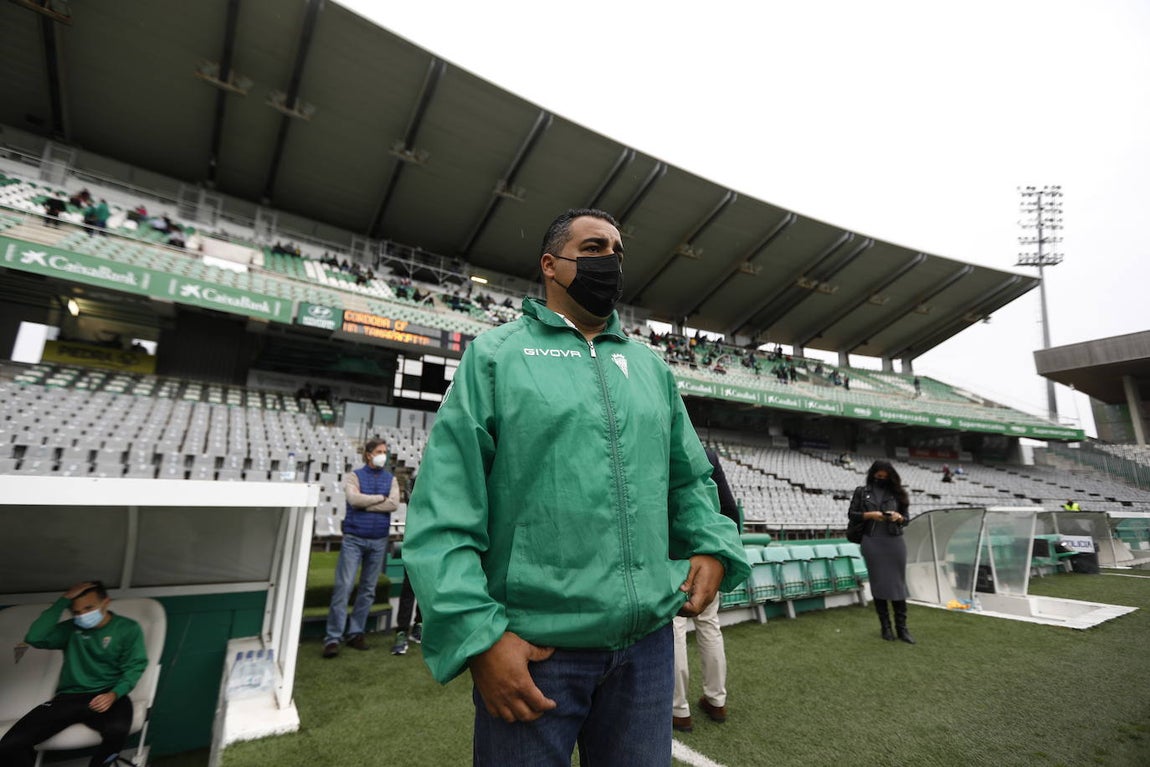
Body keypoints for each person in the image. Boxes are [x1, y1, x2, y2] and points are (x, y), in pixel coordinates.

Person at [403, 208, 750, 766]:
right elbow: (445, 507)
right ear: (550, 264)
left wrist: (711, 544)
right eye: (593, 248)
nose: (610, 260)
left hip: (647, 649)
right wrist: (480, 637)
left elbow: (690, 479)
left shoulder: (651, 368)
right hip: (535, 651)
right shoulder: (494, 357)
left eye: (617, 250)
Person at [0, 581, 148, 767]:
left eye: (89, 608)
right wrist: (63, 601)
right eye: (76, 612)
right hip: (69, 697)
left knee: (117, 730)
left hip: (108, 694)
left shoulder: (127, 628)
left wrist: (114, 694)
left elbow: (135, 666)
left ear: (106, 602)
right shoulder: (71, 629)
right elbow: (34, 638)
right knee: (9, 745)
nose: (83, 615)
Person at [672, 448, 740, 733]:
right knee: (710, 627)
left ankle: (678, 709)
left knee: (675, 630)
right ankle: (716, 700)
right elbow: (730, 510)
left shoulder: (662, 446)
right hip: (709, 555)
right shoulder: (708, 454)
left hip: (674, 557)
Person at [323, 438, 399, 658]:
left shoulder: (391, 479)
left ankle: (356, 632)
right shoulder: (354, 476)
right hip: (354, 539)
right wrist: (380, 498)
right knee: (344, 587)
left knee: (368, 589)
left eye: (385, 451)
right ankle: (333, 637)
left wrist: (368, 504)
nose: (383, 455)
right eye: (379, 451)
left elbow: (393, 504)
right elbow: (354, 500)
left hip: (378, 540)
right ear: (368, 454)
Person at [848, 460, 914, 644]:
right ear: (873, 474)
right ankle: (886, 627)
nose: (881, 479)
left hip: (895, 543)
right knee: (878, 584)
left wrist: (898, 517)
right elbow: (852, 514)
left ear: (891, 476)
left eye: (885, 476)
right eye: (879, 476)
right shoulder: (862, 492)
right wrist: (871, 515)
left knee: (898, 585)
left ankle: (902, 629)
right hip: (872, 542)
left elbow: (907, 519)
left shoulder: (899, 493)